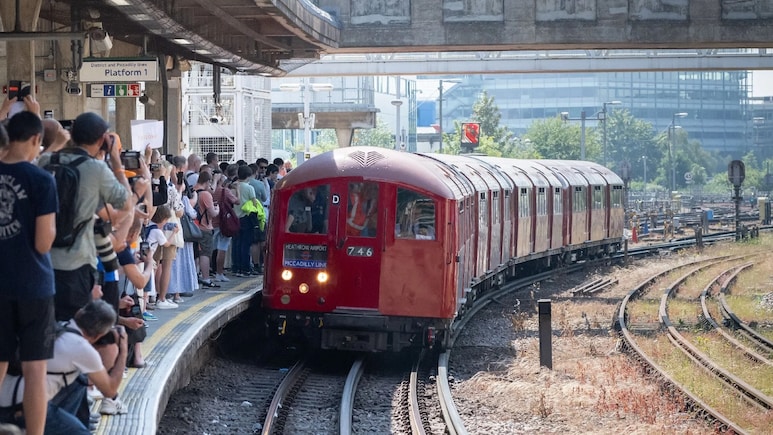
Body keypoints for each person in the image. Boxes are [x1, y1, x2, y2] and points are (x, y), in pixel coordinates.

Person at [37, 112, 132, 322]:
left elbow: (39, 164)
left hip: (43, 261)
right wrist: (116, 161)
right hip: (78, 262)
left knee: (47, 328)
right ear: (101, 140)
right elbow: (126, 202)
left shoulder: (46, 160)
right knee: (75, 328)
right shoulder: (96, 169)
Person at [0, 112, 57, 435]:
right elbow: (43, 241)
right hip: (33, 284)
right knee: (36, 371)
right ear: (36, 140)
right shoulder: (41, 180)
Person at [0, 300, 129, 433]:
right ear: (100, 334)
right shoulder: (82, 349)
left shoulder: (58, 328)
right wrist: (123, 349)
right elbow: (110, 390)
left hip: (6, 399)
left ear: (79, 313)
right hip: (23, 409)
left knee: (79, 380)